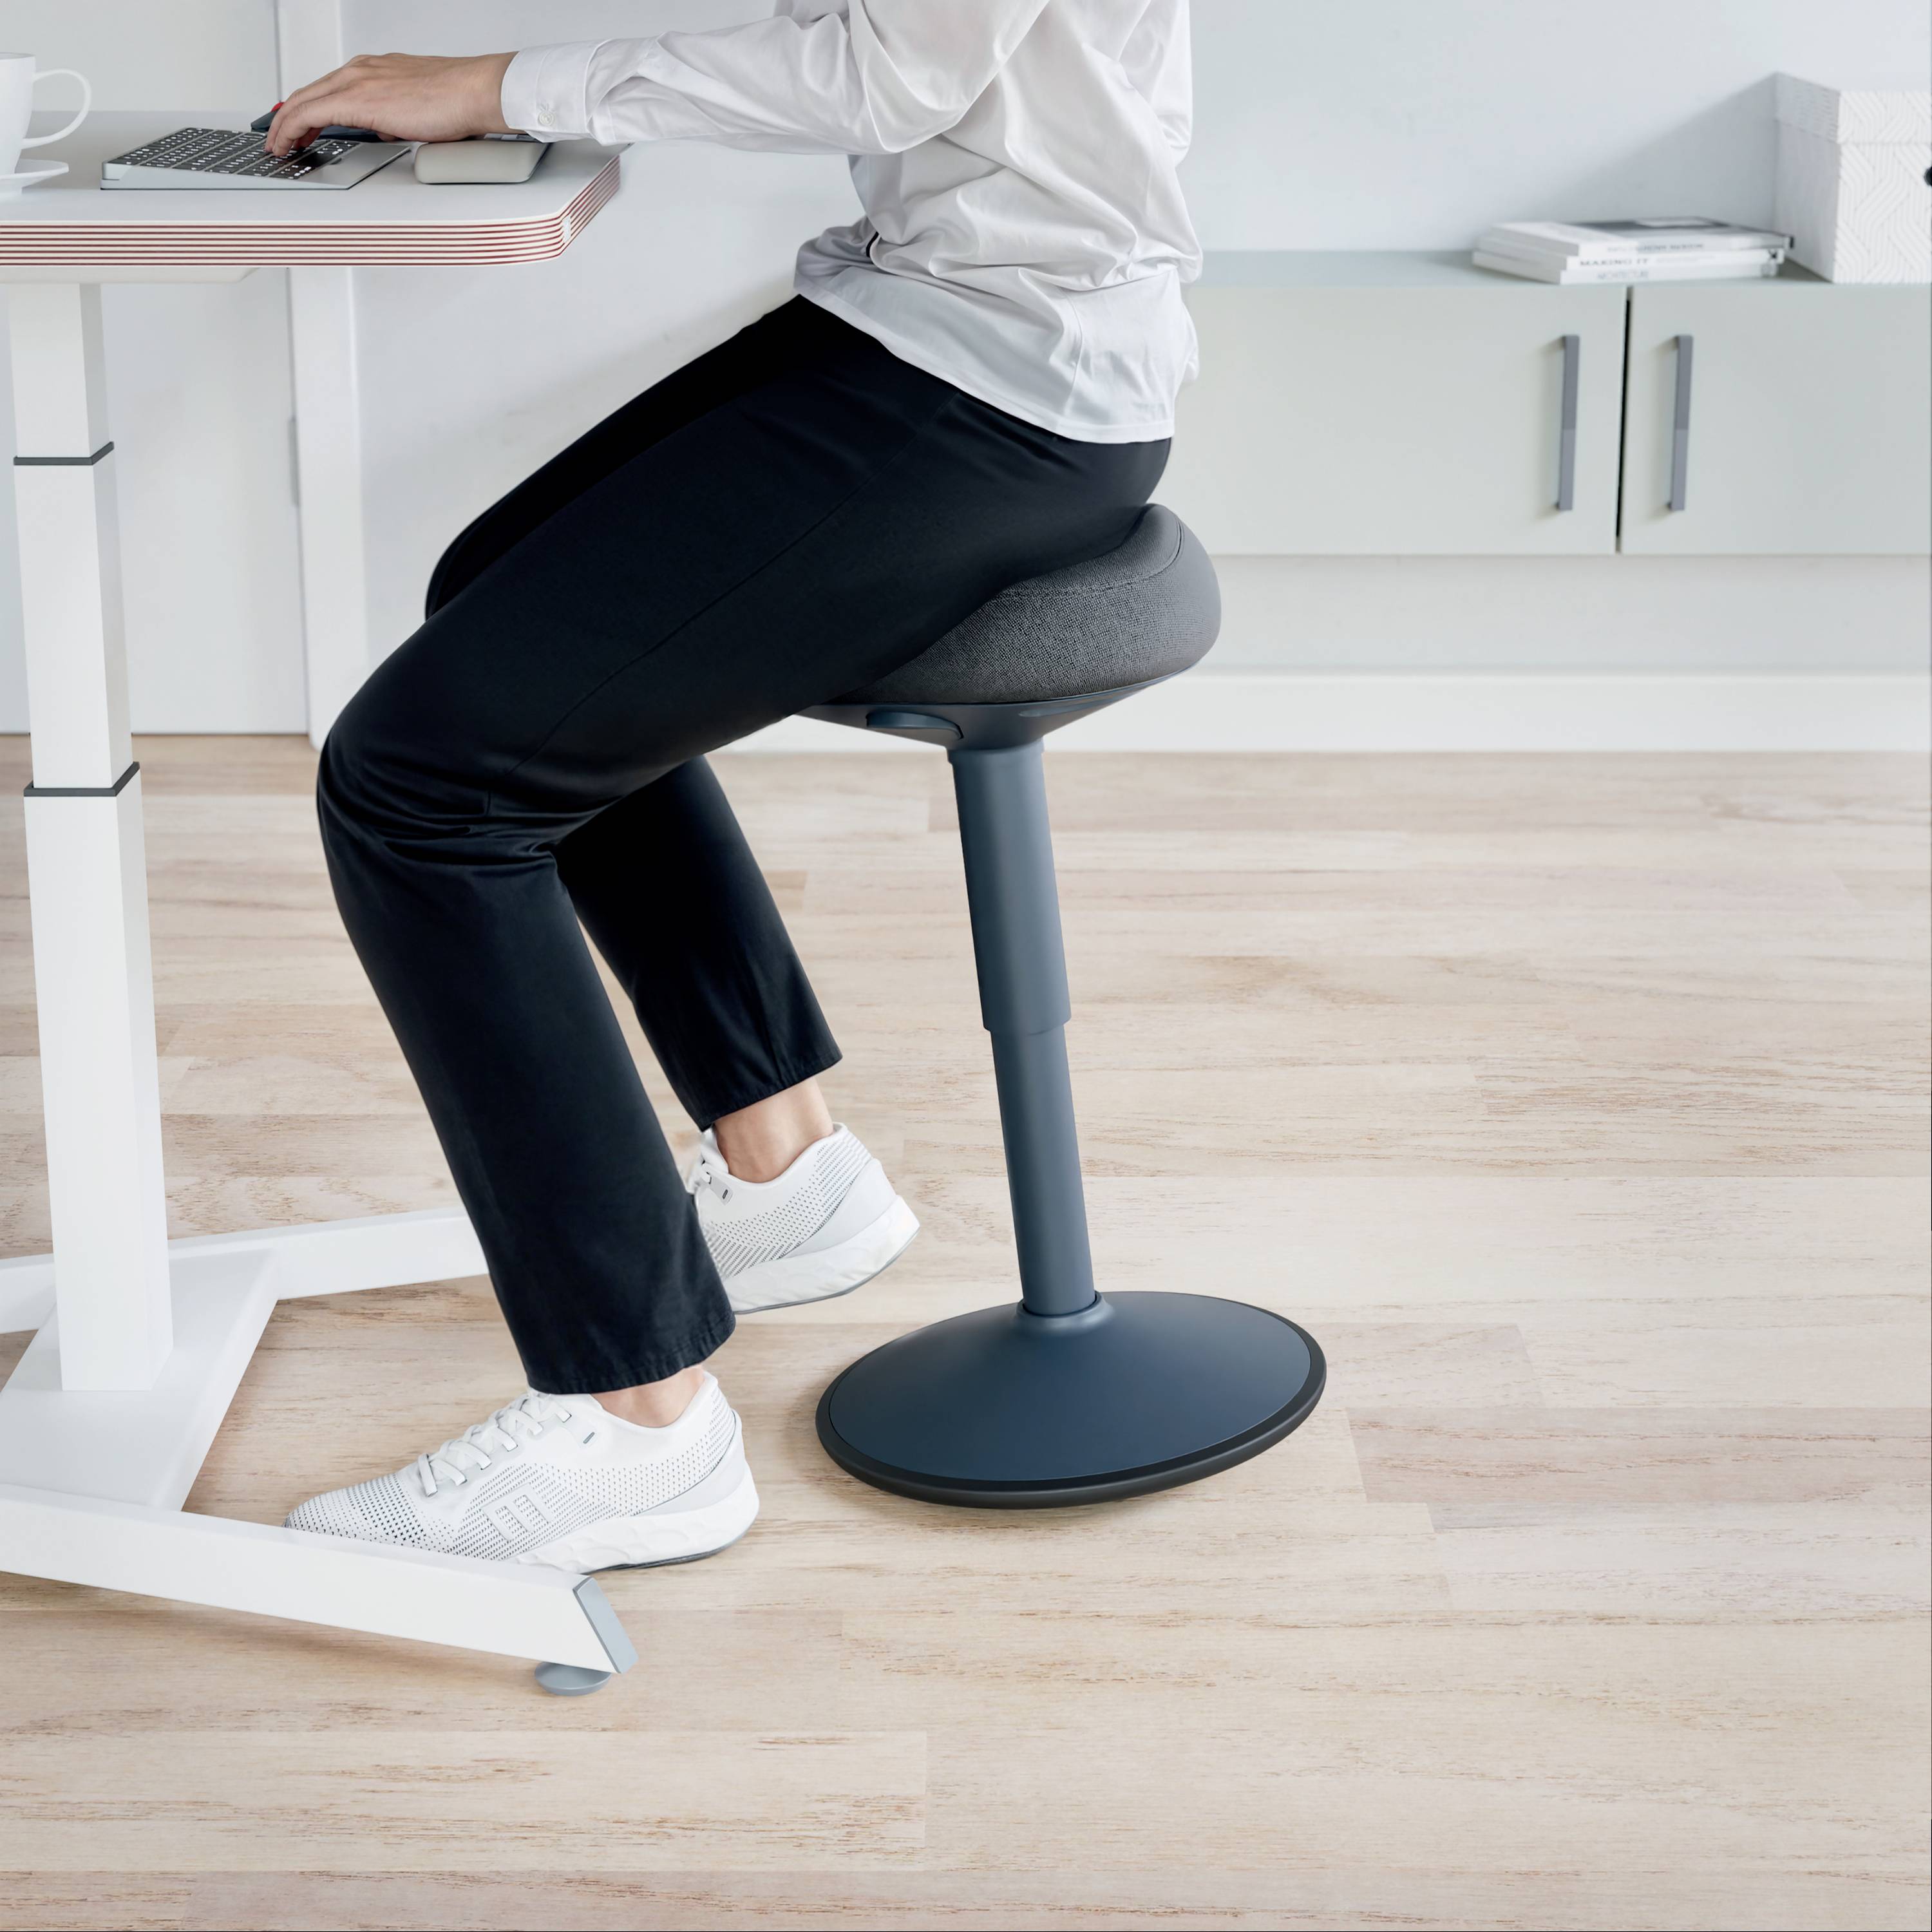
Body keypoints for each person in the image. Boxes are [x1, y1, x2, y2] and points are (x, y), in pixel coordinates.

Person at [273, 3, 1200, 1573]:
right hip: (929, 310)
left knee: (418, 784)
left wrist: (496, 84)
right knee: (492, 595)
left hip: (1005, 380)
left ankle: (633, 1420)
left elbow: (886, 66)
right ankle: (787, 1171)